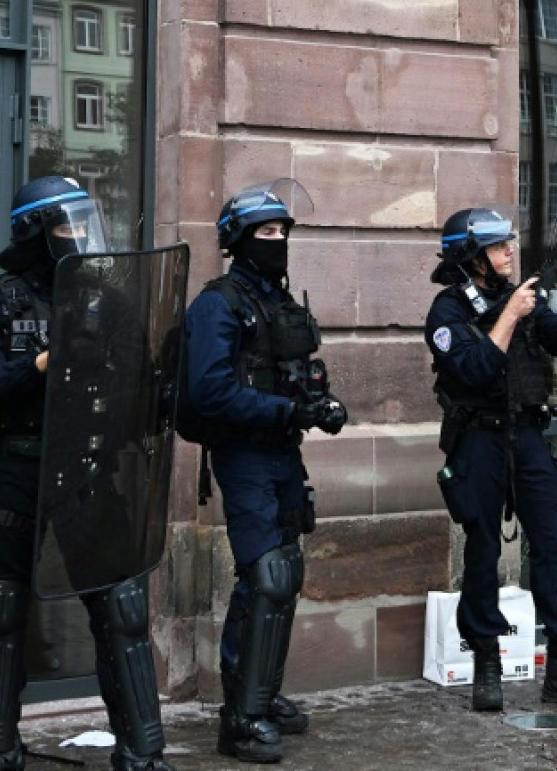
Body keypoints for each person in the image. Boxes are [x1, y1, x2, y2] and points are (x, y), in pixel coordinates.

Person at [0, 175, 177, 771]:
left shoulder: (107, 304)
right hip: (15, 470)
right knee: (3, 612)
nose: (80, 238)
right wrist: (41, 363)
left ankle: (143, 752)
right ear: (34, 233)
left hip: (86, 473)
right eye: (66, 227)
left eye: (85, 224)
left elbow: (142, 384)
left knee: (121, 607)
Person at [182, 180, 347, 763]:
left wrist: (319, 407)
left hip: (282, 453)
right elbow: (208, 392)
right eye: (265, 233)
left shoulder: (278, 304)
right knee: (265, 576)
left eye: (281, 232)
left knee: (284, 575)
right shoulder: (217, 304)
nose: (276, 242)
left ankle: (262, 694)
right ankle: (240, 718)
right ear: (239, 240)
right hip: (244, 455)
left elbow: (297, 376)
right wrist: (286, 409)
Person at [425, 207, 557, 713]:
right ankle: (487, 662)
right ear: (471, 257)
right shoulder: (447, 312)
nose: (511, 251)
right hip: (479, 440)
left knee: (554, 543)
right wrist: (509, 316)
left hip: (527, 437)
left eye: (509, 242)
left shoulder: (519, 298)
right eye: (498, 245)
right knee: (483, 551)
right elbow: (475, 366)